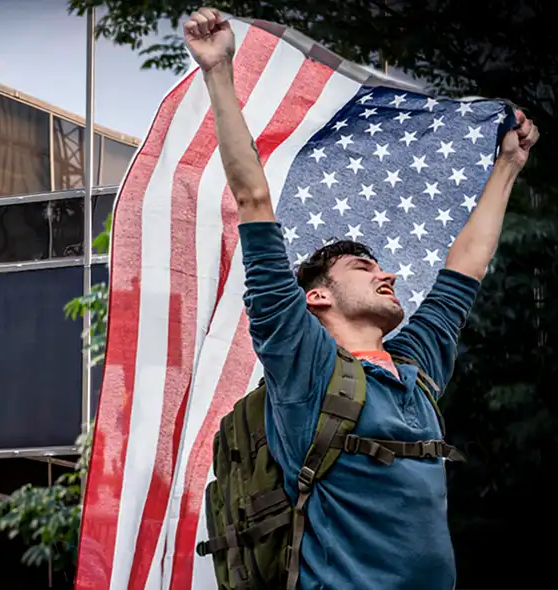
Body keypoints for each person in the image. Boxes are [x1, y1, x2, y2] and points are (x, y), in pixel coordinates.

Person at [183, 7, 539, 590]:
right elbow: (252, 199)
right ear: (317, 296)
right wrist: (219, 69)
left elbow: (464, 267)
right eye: (363, 267)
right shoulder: (304, 367)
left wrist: (508, 166)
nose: (389, 276)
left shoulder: (415, 370)